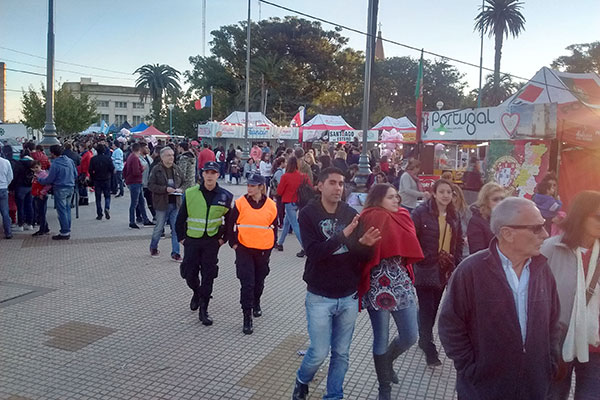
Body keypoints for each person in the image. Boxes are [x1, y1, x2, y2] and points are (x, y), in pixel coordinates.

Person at [438, 197, 560, 400]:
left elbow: (553, 322)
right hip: (484, 389)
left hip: (534, 388)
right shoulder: (471, 271)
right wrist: (472, 368)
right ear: (507, 233)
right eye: (537, 228)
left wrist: (550, 364)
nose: (545, 234)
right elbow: (450, 326)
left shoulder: (542, 269)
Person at [291, 167, 381, 400]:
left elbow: (360, 255)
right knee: (319, 352)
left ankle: (334, 395)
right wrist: (343, 235)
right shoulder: (308, 214)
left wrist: (365, 245)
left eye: (341, 183)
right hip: (320, 296)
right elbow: (314, 253)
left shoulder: (350, 213)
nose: (338, 188)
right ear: (320, 186)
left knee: (341, 353)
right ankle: (302, 379)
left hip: (348, 295)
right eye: (332, 182)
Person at [358, 184, 424, 400]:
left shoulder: (403, 216)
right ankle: (383, 386)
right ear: (378, 199)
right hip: (378, 286)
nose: (396, 200)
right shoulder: (371, 216)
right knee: (381, 337)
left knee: (410, 335)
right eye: (391, 197)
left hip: (401, 283)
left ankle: (386, 363)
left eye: (397, 197)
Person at [542, 191, 600, 400]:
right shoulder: (551, 249)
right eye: (598, 217)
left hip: (595, 346)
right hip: (558, 342)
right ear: (581, 215)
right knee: (553, 396)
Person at [411, 179, 463, 366]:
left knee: (433, 307)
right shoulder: (420, 213)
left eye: (449, 192)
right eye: (442, 192)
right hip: (425, 267)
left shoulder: (454, 214)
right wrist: (420, 258)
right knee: (427, 307)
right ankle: (429, 346)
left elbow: (458, 241)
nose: (446, 195)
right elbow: (411, 237)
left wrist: (456, 262)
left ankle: (423, 337)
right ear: (434, 193)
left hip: (444, 268)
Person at [175, 161, 233, 326]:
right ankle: (196, 291)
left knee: (208, 275)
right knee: (189, 273)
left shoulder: (225, 196)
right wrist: (182, 238)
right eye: (207, 172)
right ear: (202, 174)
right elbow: (180, 218)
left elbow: (229, 222)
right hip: (192, 241)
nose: (209, 176)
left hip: (211, 242)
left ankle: (204, 309)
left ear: (218, 175)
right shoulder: (190, 193)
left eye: (213, 173)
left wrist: (223, 239)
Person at [227, 173, 277, 334]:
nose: (249, 188)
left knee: (259, 281)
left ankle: (256, 302)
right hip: (244, 249)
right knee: (247, 283)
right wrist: (233, 243)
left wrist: (271, 246)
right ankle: (247, 316)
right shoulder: (240, 203)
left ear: (261, 187)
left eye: (253, 185)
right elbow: (230, 224)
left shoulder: (271, 205)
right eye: (248, 185)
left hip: (263, 250)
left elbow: (274, 226)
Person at [148, 147, 184, 262]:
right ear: (162, 157)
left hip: (176, 203)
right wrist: (165, 189)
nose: (171, 157)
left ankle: (176, 253)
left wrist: (181, 189)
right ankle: (153, 247)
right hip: (162, 203)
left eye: (172, 155)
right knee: (159, 227)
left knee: (175, 229)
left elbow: (184, 182)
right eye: (169, 155)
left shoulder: (177, 169)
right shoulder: (156, 169)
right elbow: (150, 185)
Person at [38, 145, 78, 240]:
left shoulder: (55, 164)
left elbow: (50, 179)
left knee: (62, 211)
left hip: (60, 188)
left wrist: (40, 180)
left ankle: (64, 232)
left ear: (52, 153)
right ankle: (67, 229)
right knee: (67, 209)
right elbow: (75, 174)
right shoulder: (70, 161)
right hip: (70, 187)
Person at [275, 157, 308, 257]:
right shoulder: (303, 176)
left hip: (289, 201)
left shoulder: (286, 176)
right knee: (287, 222)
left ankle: (305, 247)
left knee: (294, 224)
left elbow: (279, 191)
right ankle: (280, 243)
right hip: (299, 201)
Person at [467, 182, 505, 254]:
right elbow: (477, 253)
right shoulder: (476, 222)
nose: (500, 202)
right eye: (495, 199)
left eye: (502, 199)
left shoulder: (506, 219)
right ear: (485, 201)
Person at [123, 143, 153, 229]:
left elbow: (125, 170)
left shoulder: (130, 157)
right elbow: (136, 172)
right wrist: (142, 169)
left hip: (134, 182)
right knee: (135, 203)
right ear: (139, 149)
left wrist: (126, 179)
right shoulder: (135, 158)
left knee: (141, 201)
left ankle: (145, 219)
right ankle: (132, 221)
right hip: (135, 182)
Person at [88, 144, 115, 221]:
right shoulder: (108, 158)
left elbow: (90, 170)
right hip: (106, 179)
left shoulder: (93, 159)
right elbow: (112, 168)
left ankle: (99, 214)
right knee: (107, 196)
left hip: (97, 179)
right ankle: (107, 207)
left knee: (98, 197)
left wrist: (92, 177)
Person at [30, 160, 51, 236]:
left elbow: (48, 184)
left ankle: (42, 230)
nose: (35, 169)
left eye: (37, 167)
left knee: (41, 213)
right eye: (33, 168)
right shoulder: (36, 174)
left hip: (41, 195)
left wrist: (42, 192)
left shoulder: (43, 174)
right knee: (40, 212)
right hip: (37, 194)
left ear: (40, 166)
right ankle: (45, 228)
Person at [0, 148, 14, 239]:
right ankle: (8, 232)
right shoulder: (6, 162)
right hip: (3, 188)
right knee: (5, 212)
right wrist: (6, 184)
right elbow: (10, 177)